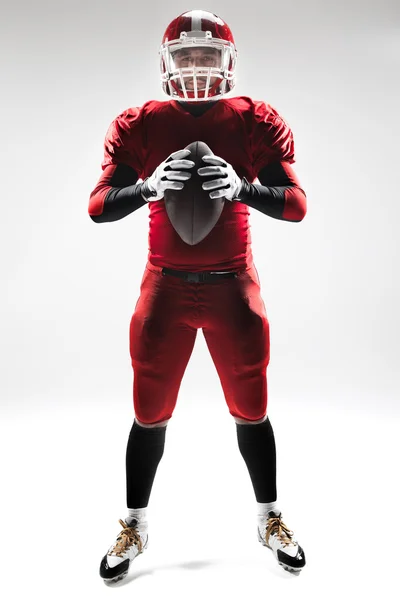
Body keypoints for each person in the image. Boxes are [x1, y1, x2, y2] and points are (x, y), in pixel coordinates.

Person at [88, 9, 307, 584]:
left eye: (206, 56)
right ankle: (134, 523)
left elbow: (296, 204)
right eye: (185, 56)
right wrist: (145, 188)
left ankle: (269, 517)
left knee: (252, 409)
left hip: (234, 283)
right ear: (168, 64)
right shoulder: (138, 123)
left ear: (226, 62)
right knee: (148, 413)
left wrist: (244, 187)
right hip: (164, 284)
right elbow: (97, 206)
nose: (196, 65)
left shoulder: (256, 119)